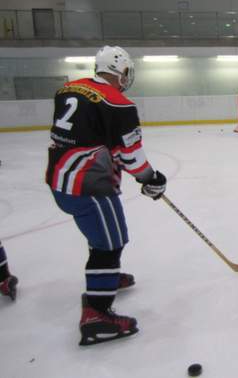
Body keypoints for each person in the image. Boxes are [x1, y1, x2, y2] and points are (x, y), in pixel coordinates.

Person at [45, 46, 167, 346]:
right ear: (122, 71)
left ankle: (106, 277)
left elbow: (89, 134)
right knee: (111, 242)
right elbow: (132, 156)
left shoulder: (70, 89)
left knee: (99, 236)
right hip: (90, 186)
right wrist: (151, 179)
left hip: (59, 180)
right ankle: (96, 315)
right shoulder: (119, 104)